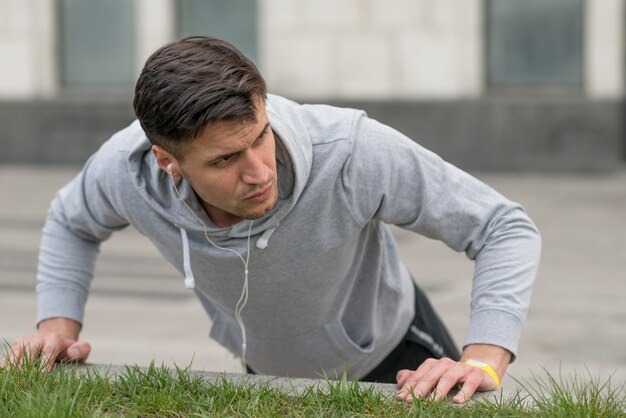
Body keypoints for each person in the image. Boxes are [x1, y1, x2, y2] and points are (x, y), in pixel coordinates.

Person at [5, 36, 541, 404]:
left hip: (398, 362)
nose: (259, 171)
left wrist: (483, 358)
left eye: (260, 136)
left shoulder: (351, 151)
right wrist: (57, 327)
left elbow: (502, 226)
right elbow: (71, 221)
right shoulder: (125, 171)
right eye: (223, 160)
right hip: (269, 375)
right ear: (167, 160)